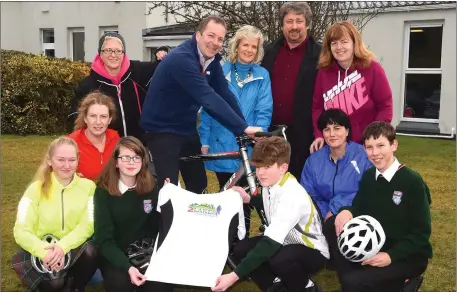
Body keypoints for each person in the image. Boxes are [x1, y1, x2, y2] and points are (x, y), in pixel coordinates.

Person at [139, 15, 262, 192]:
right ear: (198, 35)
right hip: (162, 130)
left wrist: (244, 126)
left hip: (186, 128)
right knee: (167, 190)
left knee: (198, 184)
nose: (215, 42)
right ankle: (164, 219)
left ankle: (192, 218)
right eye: (211, 36)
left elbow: (224, 94)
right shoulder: (182, 59)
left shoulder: (211, 62)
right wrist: (241, 128)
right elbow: (208, 97)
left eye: (220, 39)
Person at [212, 137, 328, 292]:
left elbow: (270, 243)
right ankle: (276, 287)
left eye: (267, 167)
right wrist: (249, 199)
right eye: (258, 167)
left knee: (278, 258)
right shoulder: (272, 182)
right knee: (241, 249)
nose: (260, 173)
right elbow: (270, 203)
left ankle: (306, 287)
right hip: (286, 242)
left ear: (283, 167)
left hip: (312, 250)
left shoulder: (292, 195)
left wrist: (232, 277)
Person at [326, 121, 432, 292]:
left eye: (380, 145)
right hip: (375, 242)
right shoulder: (369, 176)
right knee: (333, 225)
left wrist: (391, 256)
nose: (375, 153)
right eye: (369, 147)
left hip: (406, 254)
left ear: (394, 145)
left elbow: (421, 234)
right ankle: (363, 281)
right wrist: (346, 211)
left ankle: (402, 283)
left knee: (354, 282)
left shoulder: (412, 181)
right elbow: (359, 208)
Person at [198, 25, 272, 234]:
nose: (249, 50)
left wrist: (259, 134)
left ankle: (242, 242)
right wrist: (204, 139)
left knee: (245, 199)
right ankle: (225, 243)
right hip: (222, 140)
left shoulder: (262, 75)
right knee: (225, 197)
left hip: (248, 146)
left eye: (253, 47)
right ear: (236, 46)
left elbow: (264, 109)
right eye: (245, 45)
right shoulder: (219, 71)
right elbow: (207, 109)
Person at [12, 137, 98, 292]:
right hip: (42, 250)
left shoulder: (89, 187)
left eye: (72, 160)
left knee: (91, 250)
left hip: (71, 247)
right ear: (50, 161)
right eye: (61, 160)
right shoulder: (34, 189)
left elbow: (88, 224)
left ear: (78, 160)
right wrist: (43, 252)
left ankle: (76, 288)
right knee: (55, 285)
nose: (66, 165)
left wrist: (62, 246)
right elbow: (20, 230)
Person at [93, 136, 172, 292]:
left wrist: (166, 202)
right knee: (120, 285)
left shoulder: (151, 187)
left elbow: (157, 226)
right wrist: (128, 267)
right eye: (126, 157)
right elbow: (104, 240)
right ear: (116, 162)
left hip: (145, 252)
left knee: (160, 287)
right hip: (116, 254)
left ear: (143, 162)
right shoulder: (103, 191)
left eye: (137, 157)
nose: (131, 162)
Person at [310, 21, 393, 153]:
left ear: (355, 43)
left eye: (344, 42)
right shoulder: (323, 72)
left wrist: (373, 138)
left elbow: (385, 106)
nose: (339, 47)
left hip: (365, 147)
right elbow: (317, 107)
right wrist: (319, 135)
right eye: (334, 43)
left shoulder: (373, 69)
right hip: (333, 147)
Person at [261, 2, 322, 179]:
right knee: (271, 180)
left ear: (307, 24)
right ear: (282, 25)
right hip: (272, 132)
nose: (294, 26)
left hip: (304, 135)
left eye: (299, 21)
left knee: (301, 182)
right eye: (289, 21)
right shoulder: (268, 52)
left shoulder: (321, 55)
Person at [71, 32, 170, 141]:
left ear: (124, 54)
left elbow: (165, 67)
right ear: (100, 53)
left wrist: (163, 52)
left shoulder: (137, 72)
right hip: (106, 149)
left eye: (118, 51)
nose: (113, 55)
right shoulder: (89, 85)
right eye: (108, 50)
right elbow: (75, 118)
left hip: (139, 147)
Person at [300, 109, 372, 225]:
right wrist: (325, 213)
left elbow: (368, 190)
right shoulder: (313, 161)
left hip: (355, 214)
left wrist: (335, 208)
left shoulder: (362, 156)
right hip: (321, 218)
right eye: (327, 129)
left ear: (347, 131)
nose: (332, 134)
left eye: (337, 128)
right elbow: (308, 195)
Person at [69, 91, 120, 181]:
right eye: (93, 116)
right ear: (85, 118)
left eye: (103, 116)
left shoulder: (115, 138)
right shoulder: (71, 143)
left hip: (110, 192)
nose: (98, 122)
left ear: (109, 119)